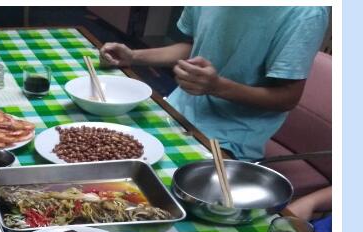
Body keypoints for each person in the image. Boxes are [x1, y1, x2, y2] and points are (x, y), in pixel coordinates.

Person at [100, 7, 329, 160]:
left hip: (229, 140)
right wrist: (134, 57)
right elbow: (194, 46)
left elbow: (288, 97)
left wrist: (217, 87)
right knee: (97, 144)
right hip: (174, 111)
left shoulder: (305, 12)